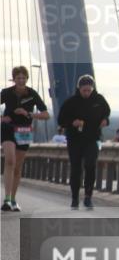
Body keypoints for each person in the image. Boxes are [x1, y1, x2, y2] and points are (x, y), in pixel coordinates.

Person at [57, 74, 110, 210]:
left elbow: (106, 113)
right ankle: (75, 198)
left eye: (89, 90)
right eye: (84, 90)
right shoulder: (71, 102)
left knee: (90, 165)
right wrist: (72, 122)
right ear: (79, 88)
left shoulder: (99, 100)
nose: (86, 93)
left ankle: (88, 197)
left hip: (92, 139)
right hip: (75, 139)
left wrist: (105, 120)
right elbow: (61, 120)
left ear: (92, 88)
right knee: (76, 168)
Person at [2, 66, 51, 212]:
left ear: (27, 79)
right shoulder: (6, 92)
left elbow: (46, 115)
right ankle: (6, 199)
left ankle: (13, 199)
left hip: (24, 130)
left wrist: (29, 114)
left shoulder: (32, 93)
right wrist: (2, 118)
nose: (21, 80)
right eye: (18, 78)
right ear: (14, 79)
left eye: (23, 78)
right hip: (8, 129)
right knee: (10, 160)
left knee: (17, 166)